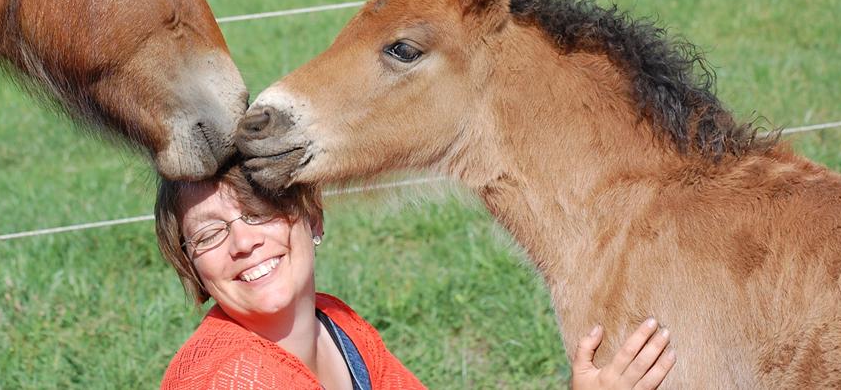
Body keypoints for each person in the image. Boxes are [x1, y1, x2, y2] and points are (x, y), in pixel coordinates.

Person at [156, 163, 676, 389]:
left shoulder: (338, 325)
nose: (243, 243)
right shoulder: (230, 380)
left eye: (259, 212)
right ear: (193, 269)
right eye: (209, 235)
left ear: (311, 217)